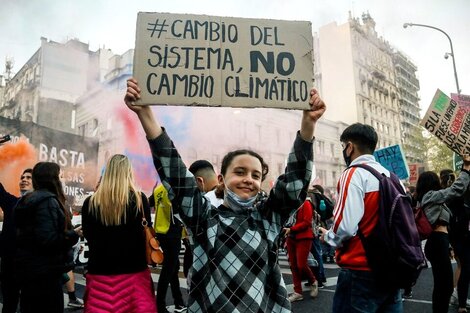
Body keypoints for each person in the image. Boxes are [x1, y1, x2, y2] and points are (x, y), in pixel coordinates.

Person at [124, 77, 325, 312]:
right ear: (221, 179)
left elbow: (295, 181)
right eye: (239, 172)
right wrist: (144, 113)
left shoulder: (267, 219)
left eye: (255, 175)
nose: (248, 178)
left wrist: (309, 123)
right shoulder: (203, 219)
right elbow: (175, 174)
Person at [319, 123, 403, 313]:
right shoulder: (392, 177)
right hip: (393, 268)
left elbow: (346, 228)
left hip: (361, 271)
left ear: (349, 147)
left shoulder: (353, 174)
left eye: (343, 147)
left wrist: (328, 237)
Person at [81, 154, 157, 313]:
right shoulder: (139, 200)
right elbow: (145, 232)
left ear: (107, 173)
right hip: (134, 277)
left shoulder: (91, 203)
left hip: (100, 276)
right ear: (128, 172)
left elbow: (88, 235)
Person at [14, 162, 80, 313]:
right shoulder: (48, 201)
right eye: (60, 175)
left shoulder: (28, 200)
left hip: (30, 271)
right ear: (53, 178)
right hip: (45, 274)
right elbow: (48, 240)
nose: (62, 178)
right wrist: (74, 234)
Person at [416, 162, 470, 313]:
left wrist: (449, 246)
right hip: (437, 242)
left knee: (443, 285)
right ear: (432, 183)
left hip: (440, 242)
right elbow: (456, 189)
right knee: (444, 285)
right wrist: (465, 169)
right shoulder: (430, 196)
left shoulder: (431, 198)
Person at [0, 169, 33, 313]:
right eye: (22, 177)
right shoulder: (11, 202)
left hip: (30, 263)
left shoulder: (42, 205)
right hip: (9, 262)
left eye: (28, 177)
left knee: (29, 303)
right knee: (9, 302)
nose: (24, 180)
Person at [149, 190, 187, 313]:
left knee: (173, 267)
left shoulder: (158, 189)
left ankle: (179, 301)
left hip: (161, 231)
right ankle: (160, 305)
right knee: (168, 269)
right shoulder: (174, 190)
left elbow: (149, 202)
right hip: (172, 232)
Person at [283, 199, 318, 302]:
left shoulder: (306, 203)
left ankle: (313, 280)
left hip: (303, 237)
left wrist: (292, 229)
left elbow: (307, 222)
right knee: (293, 266)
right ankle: (298, 292)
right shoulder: (289, 204)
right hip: (290, 237)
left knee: (301, 265)